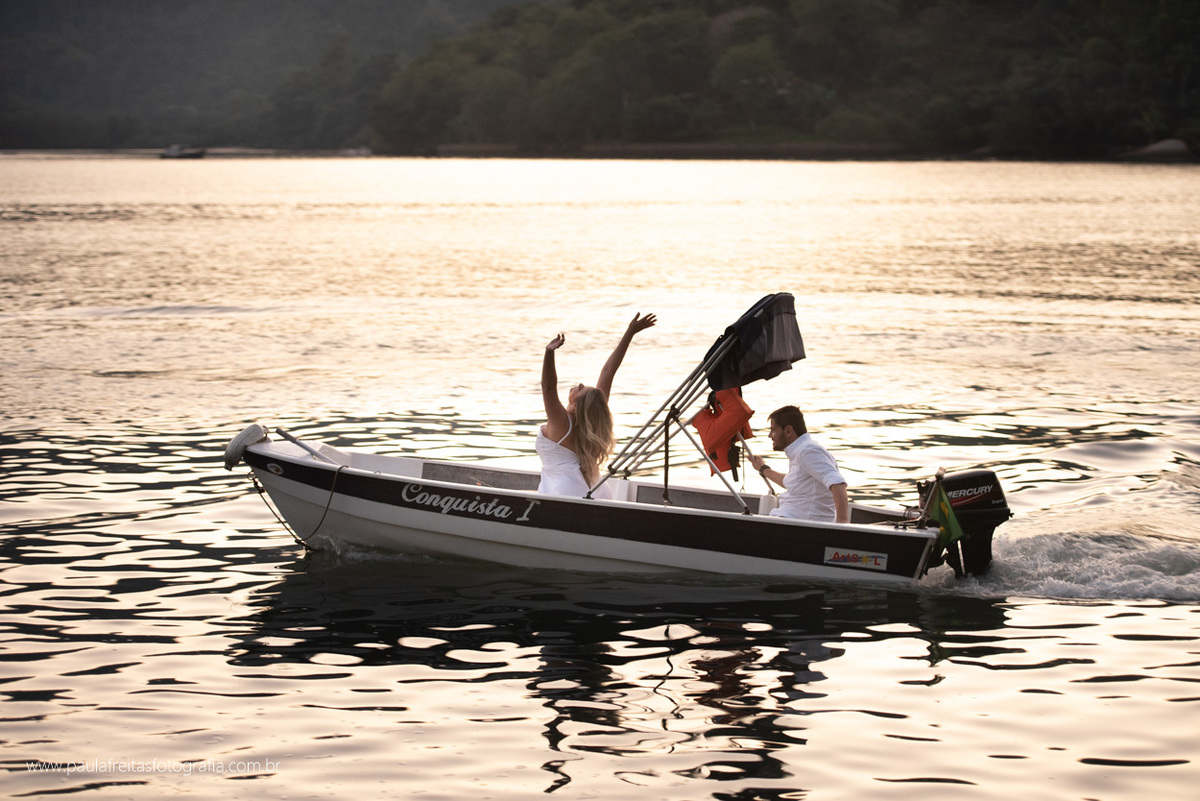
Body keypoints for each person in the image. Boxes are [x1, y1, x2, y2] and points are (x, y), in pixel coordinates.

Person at [537, 312, 657, 498]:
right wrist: (629, 333)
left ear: (577, 406)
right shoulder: (590, 422)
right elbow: (609, 370)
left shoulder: (561, 423)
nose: (580, 384)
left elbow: (548, 387)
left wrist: (549, 353)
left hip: (563, 494)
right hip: (591, 490)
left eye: (582, 389)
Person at [747, 405, 850, 523]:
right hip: (787, 520)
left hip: (798, 525)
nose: (770, 435)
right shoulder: (801, 450)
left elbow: (837, 483)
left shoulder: (808, 451)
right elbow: (791, 482)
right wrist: (762, 468)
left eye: (773, 430)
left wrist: (842, 526)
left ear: (788, 431)